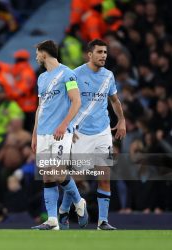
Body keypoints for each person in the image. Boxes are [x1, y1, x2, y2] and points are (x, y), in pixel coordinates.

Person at [59, 39, 126, 230]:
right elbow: (67, 103)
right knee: (77, 179)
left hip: (103, 132)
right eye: (99, 52)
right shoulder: (76, 75)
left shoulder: (109, 76)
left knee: (104, 176)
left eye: (105, 52)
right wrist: (68, 127)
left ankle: (102, 221)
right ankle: (64, 210)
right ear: (90, 55)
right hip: (81, 132)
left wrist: (121, 120)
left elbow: (114, 101)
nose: (103, 55)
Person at [31, 40, 88, 230]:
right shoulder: (41, 78)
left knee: (57, 170)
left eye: (38, 53)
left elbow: (76, 101)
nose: (36, 57)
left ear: (44, 54)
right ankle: (53, 221)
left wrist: (64, 125)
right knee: (47, 176)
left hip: (60, 131)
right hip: (43, 132)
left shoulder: (67, 73)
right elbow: (40, 108)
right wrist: (34, 134)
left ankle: (79, 202)